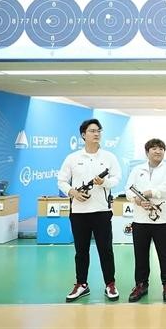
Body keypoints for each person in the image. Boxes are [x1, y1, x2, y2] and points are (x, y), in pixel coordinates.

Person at [57, 118, 122, 303]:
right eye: (93, 131)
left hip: (102, 211)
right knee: (81, 251)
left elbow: (117, 178)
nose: (97, 134)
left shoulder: (109, 157)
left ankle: (110, 284)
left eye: (99, 131)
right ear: (83, 135)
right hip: (78, 212)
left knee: (105, 250)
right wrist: (72, 192)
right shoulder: (72, 158)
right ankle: (81, 284)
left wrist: (105, 182)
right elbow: (61, 180)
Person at [125, 138, 166, 303]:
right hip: (140, 220)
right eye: (154, 148)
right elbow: (128, 190)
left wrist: (149, 192)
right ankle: (141, 285)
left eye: (161, 148)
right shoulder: (137, 170)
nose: (158, 151)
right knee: (140, 255)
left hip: (161, 220)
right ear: (147, 152)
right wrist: (138, 200)